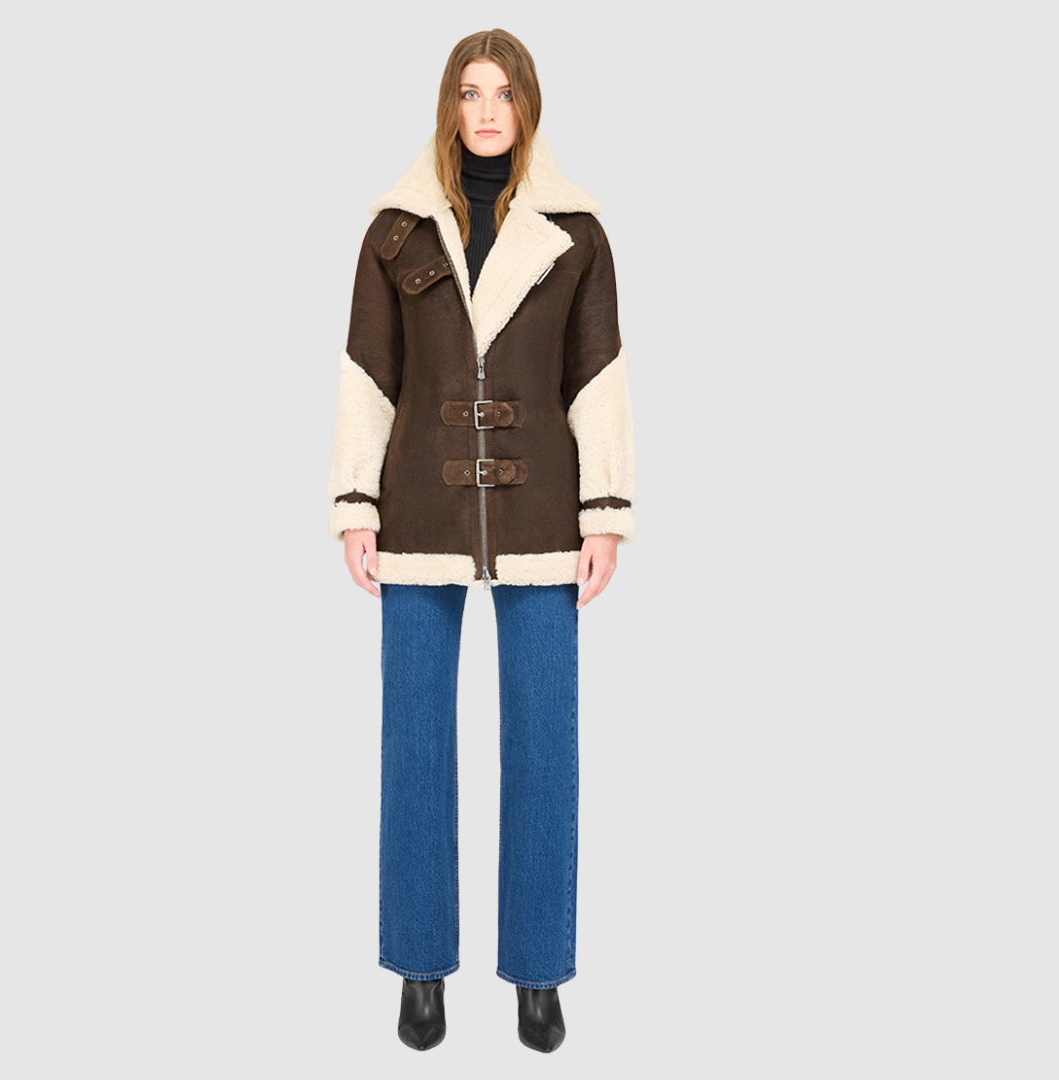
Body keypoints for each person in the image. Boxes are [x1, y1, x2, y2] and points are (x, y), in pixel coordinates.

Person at [326, 28, 637, 1053]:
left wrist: (605, 516)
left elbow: (598, 382)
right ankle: (420, 967)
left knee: (545, 741)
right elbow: (367, 378)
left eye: (504, 92)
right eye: (470, 91)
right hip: (418, 508)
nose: (488, 110)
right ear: (450, 106)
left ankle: (538, 975)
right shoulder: (395, 232)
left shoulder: (578, 234)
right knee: (414, 741)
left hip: (544, 515)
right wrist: (356, 505)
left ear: (528, 104)